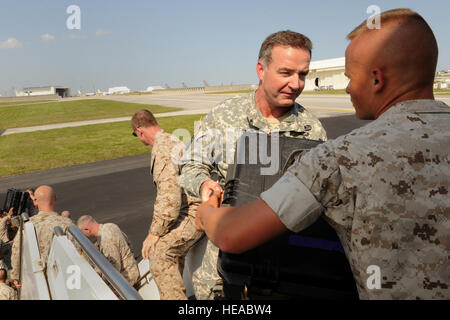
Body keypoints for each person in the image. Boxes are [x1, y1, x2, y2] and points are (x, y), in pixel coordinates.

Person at [196, 9, 449, 300]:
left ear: (376, 80)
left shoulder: (339, 157)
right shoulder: (225, 113)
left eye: (350, 77)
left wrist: (206, 214)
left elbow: (232, 234)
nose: (349, 89)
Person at [179, 30, 327, 299]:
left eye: (302, 74)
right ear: (261, 69)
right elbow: (190, 164)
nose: (296, 84)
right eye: (286, 73)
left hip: (283, 269)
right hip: (221, 268)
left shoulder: (312, 130)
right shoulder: (224, 116)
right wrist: (203, 186)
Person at [131, 109, 203, 300]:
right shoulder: (172, 140)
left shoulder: (162, 149)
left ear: (140, 131)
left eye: (137, 136)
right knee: (173, 254)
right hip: (192, 207)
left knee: (159, 255)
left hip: (192, 211)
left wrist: (154, 233)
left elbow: (169, 199)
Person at [10, 185, 74, 286]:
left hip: (35, 281)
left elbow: (17, 251)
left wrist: (16, 277)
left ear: (35, 202)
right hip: (61, 281)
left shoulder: (27, 225)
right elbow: (76, 253)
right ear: (55, 198)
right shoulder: (68, 224)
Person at [77, 215, 140, 286]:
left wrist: (98, 280)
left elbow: (114, 268)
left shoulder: (105, 240)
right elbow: (129, 244)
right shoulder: (110, 226)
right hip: (132, 268)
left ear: (86, 229)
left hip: (127, 278)